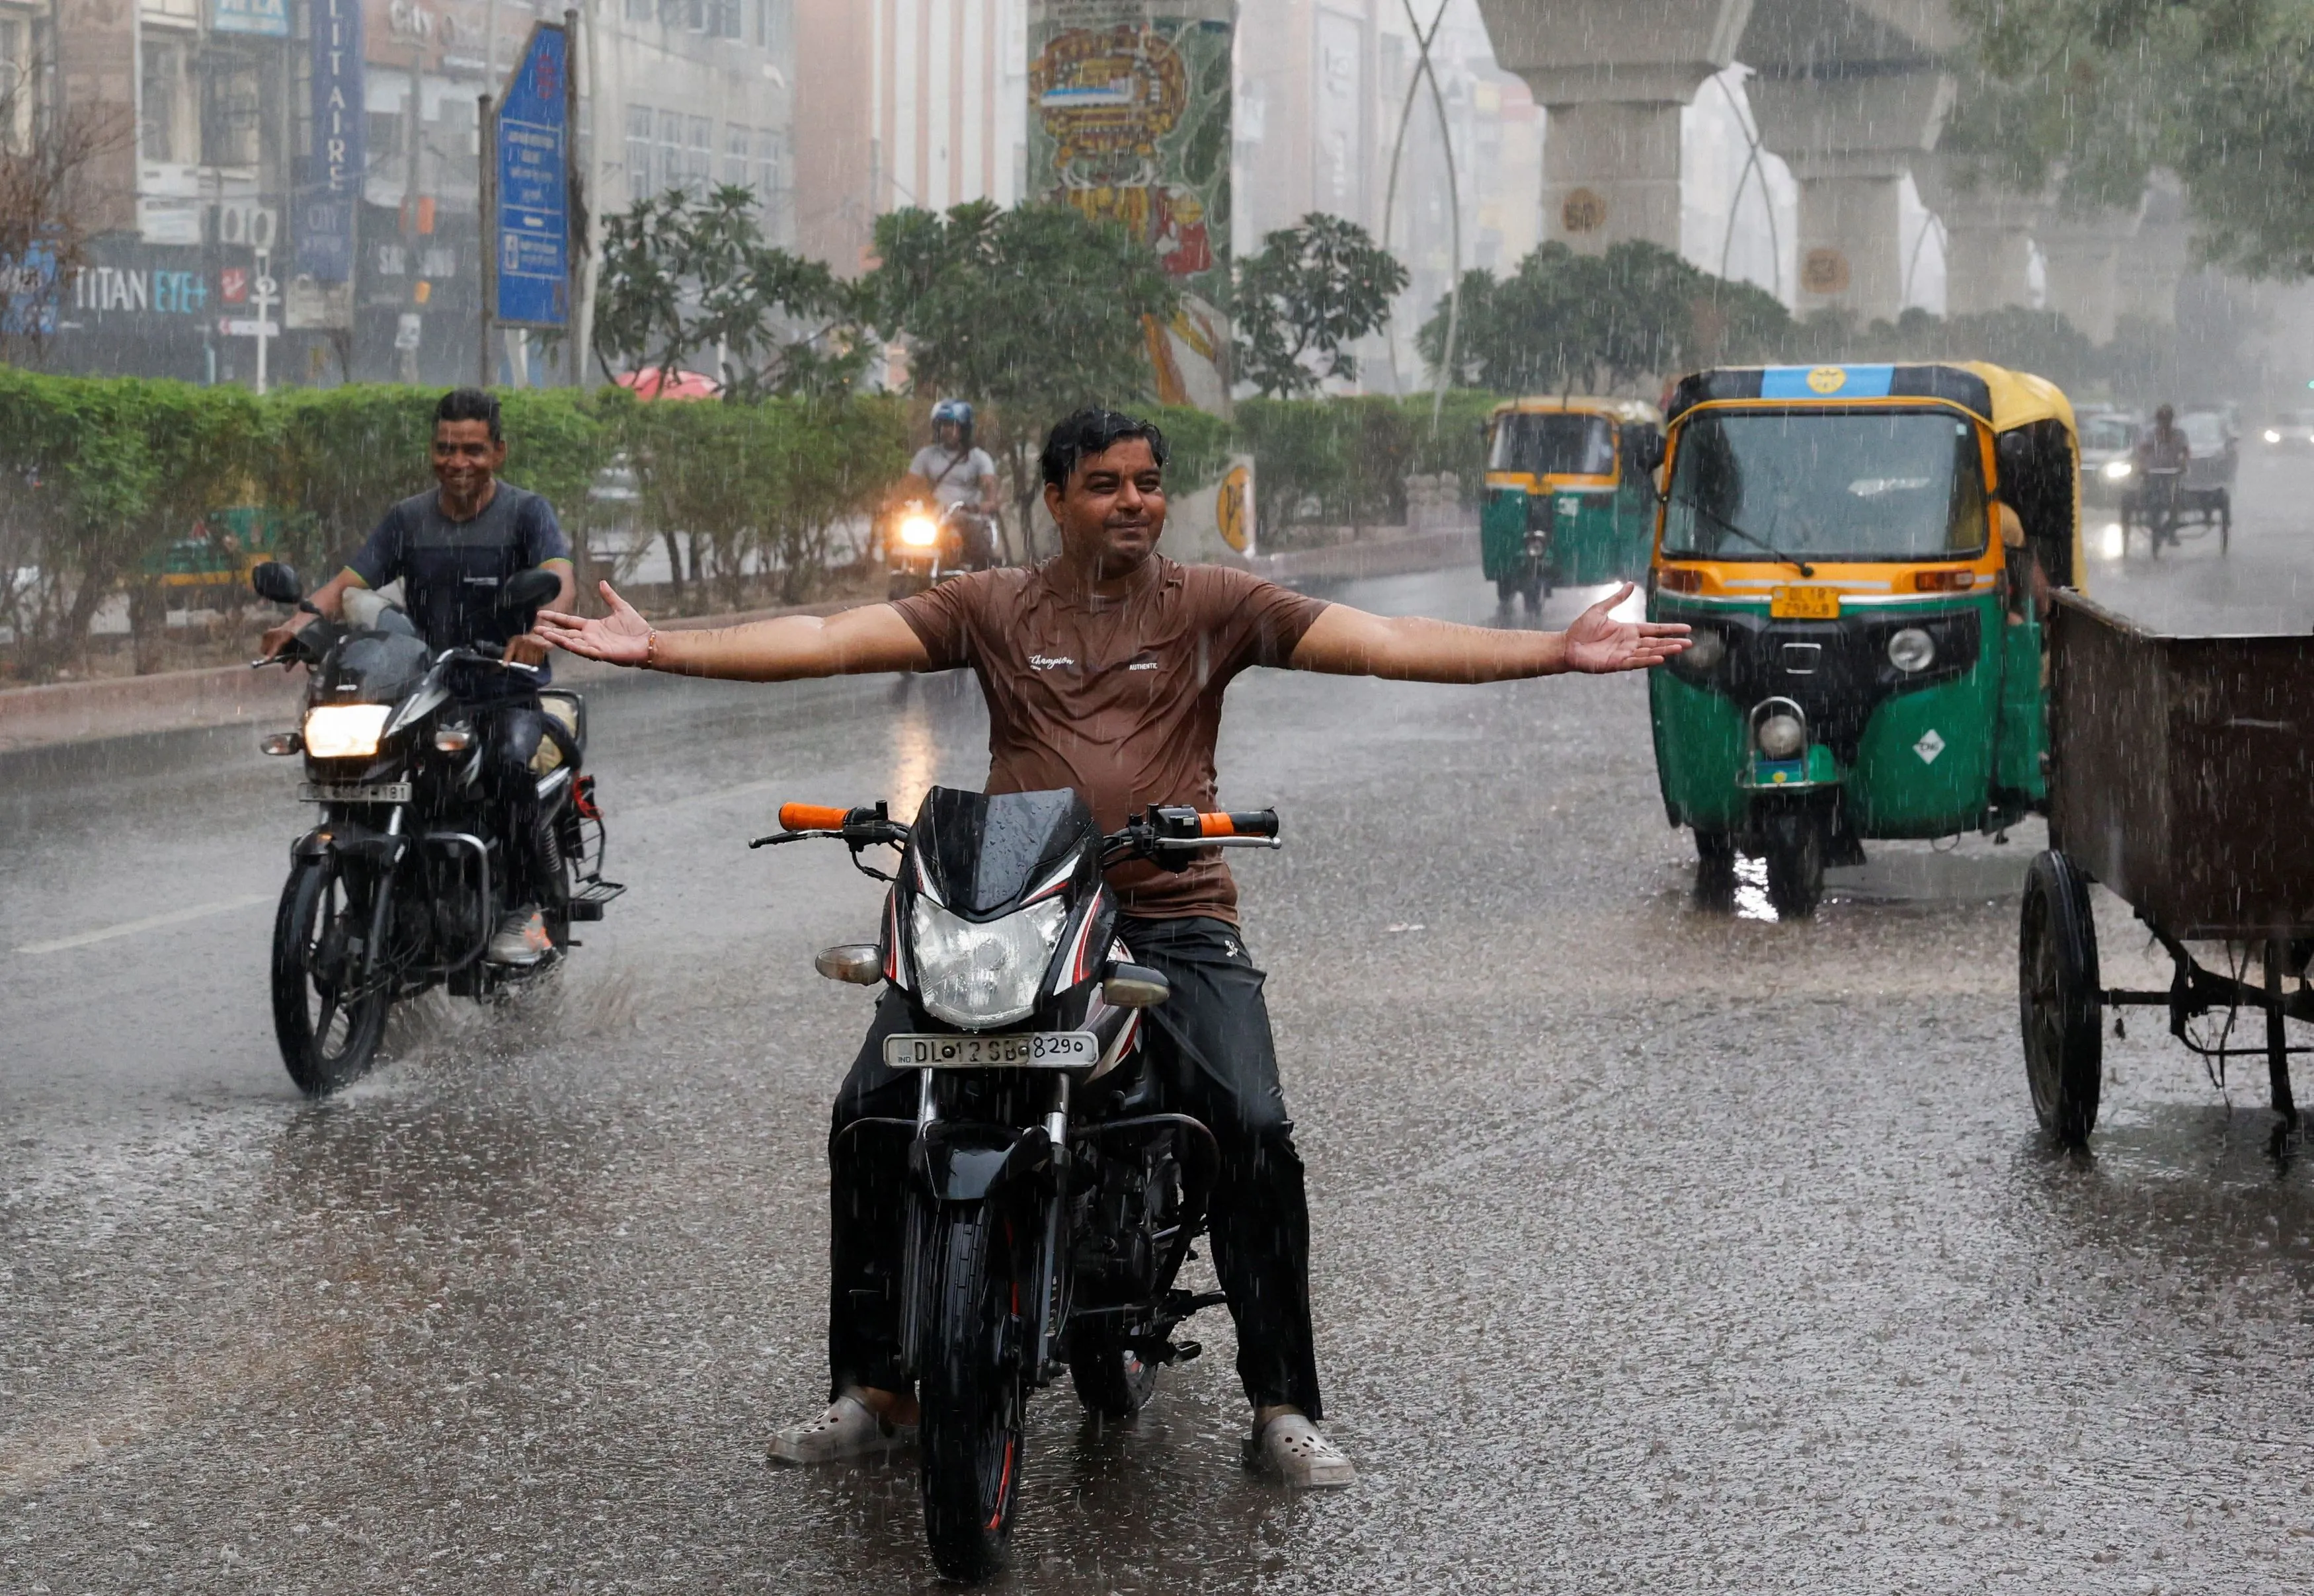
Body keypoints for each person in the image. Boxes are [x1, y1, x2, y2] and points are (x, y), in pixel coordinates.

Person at [534, 408, 1688, 1488]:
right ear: (1053, 500)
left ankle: (1282, 1403)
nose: (1134, 502)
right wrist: (665, 648)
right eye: (1104, 486)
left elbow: (1385, 638)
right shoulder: (992, 606)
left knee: (1249, 1122)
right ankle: (876, 1388)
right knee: (871, 1116)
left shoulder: (1214, 604)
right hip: (1012, 914)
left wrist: (1548, 651)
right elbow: (832, 634)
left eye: (1148, 483)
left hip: (1173, 910)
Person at [262, 387, 577, 967]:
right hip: (425, 690)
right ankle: (383, 904)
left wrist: (543, 630)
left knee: (508, 765)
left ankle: (526, 910)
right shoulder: (408, 518)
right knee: (364, 771)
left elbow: (559, 576)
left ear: (498, 453)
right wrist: (299, 622)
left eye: (473, 450)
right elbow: (346, 585)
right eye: (446, 448)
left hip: (503, 686)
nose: (458, 462)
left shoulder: (527, 512)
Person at [903, 398, 1002, 567]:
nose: (948, 430)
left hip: (968, 516)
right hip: (934, 517)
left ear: (965, 429)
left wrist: (988, 504)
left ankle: (980, 579)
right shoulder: (927, 455)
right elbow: (908, 484)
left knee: (980, 551)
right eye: (944, 425)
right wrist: (891, 504)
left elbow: (990, 487)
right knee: (903, 541)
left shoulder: (979, 458)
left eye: (953, 425)